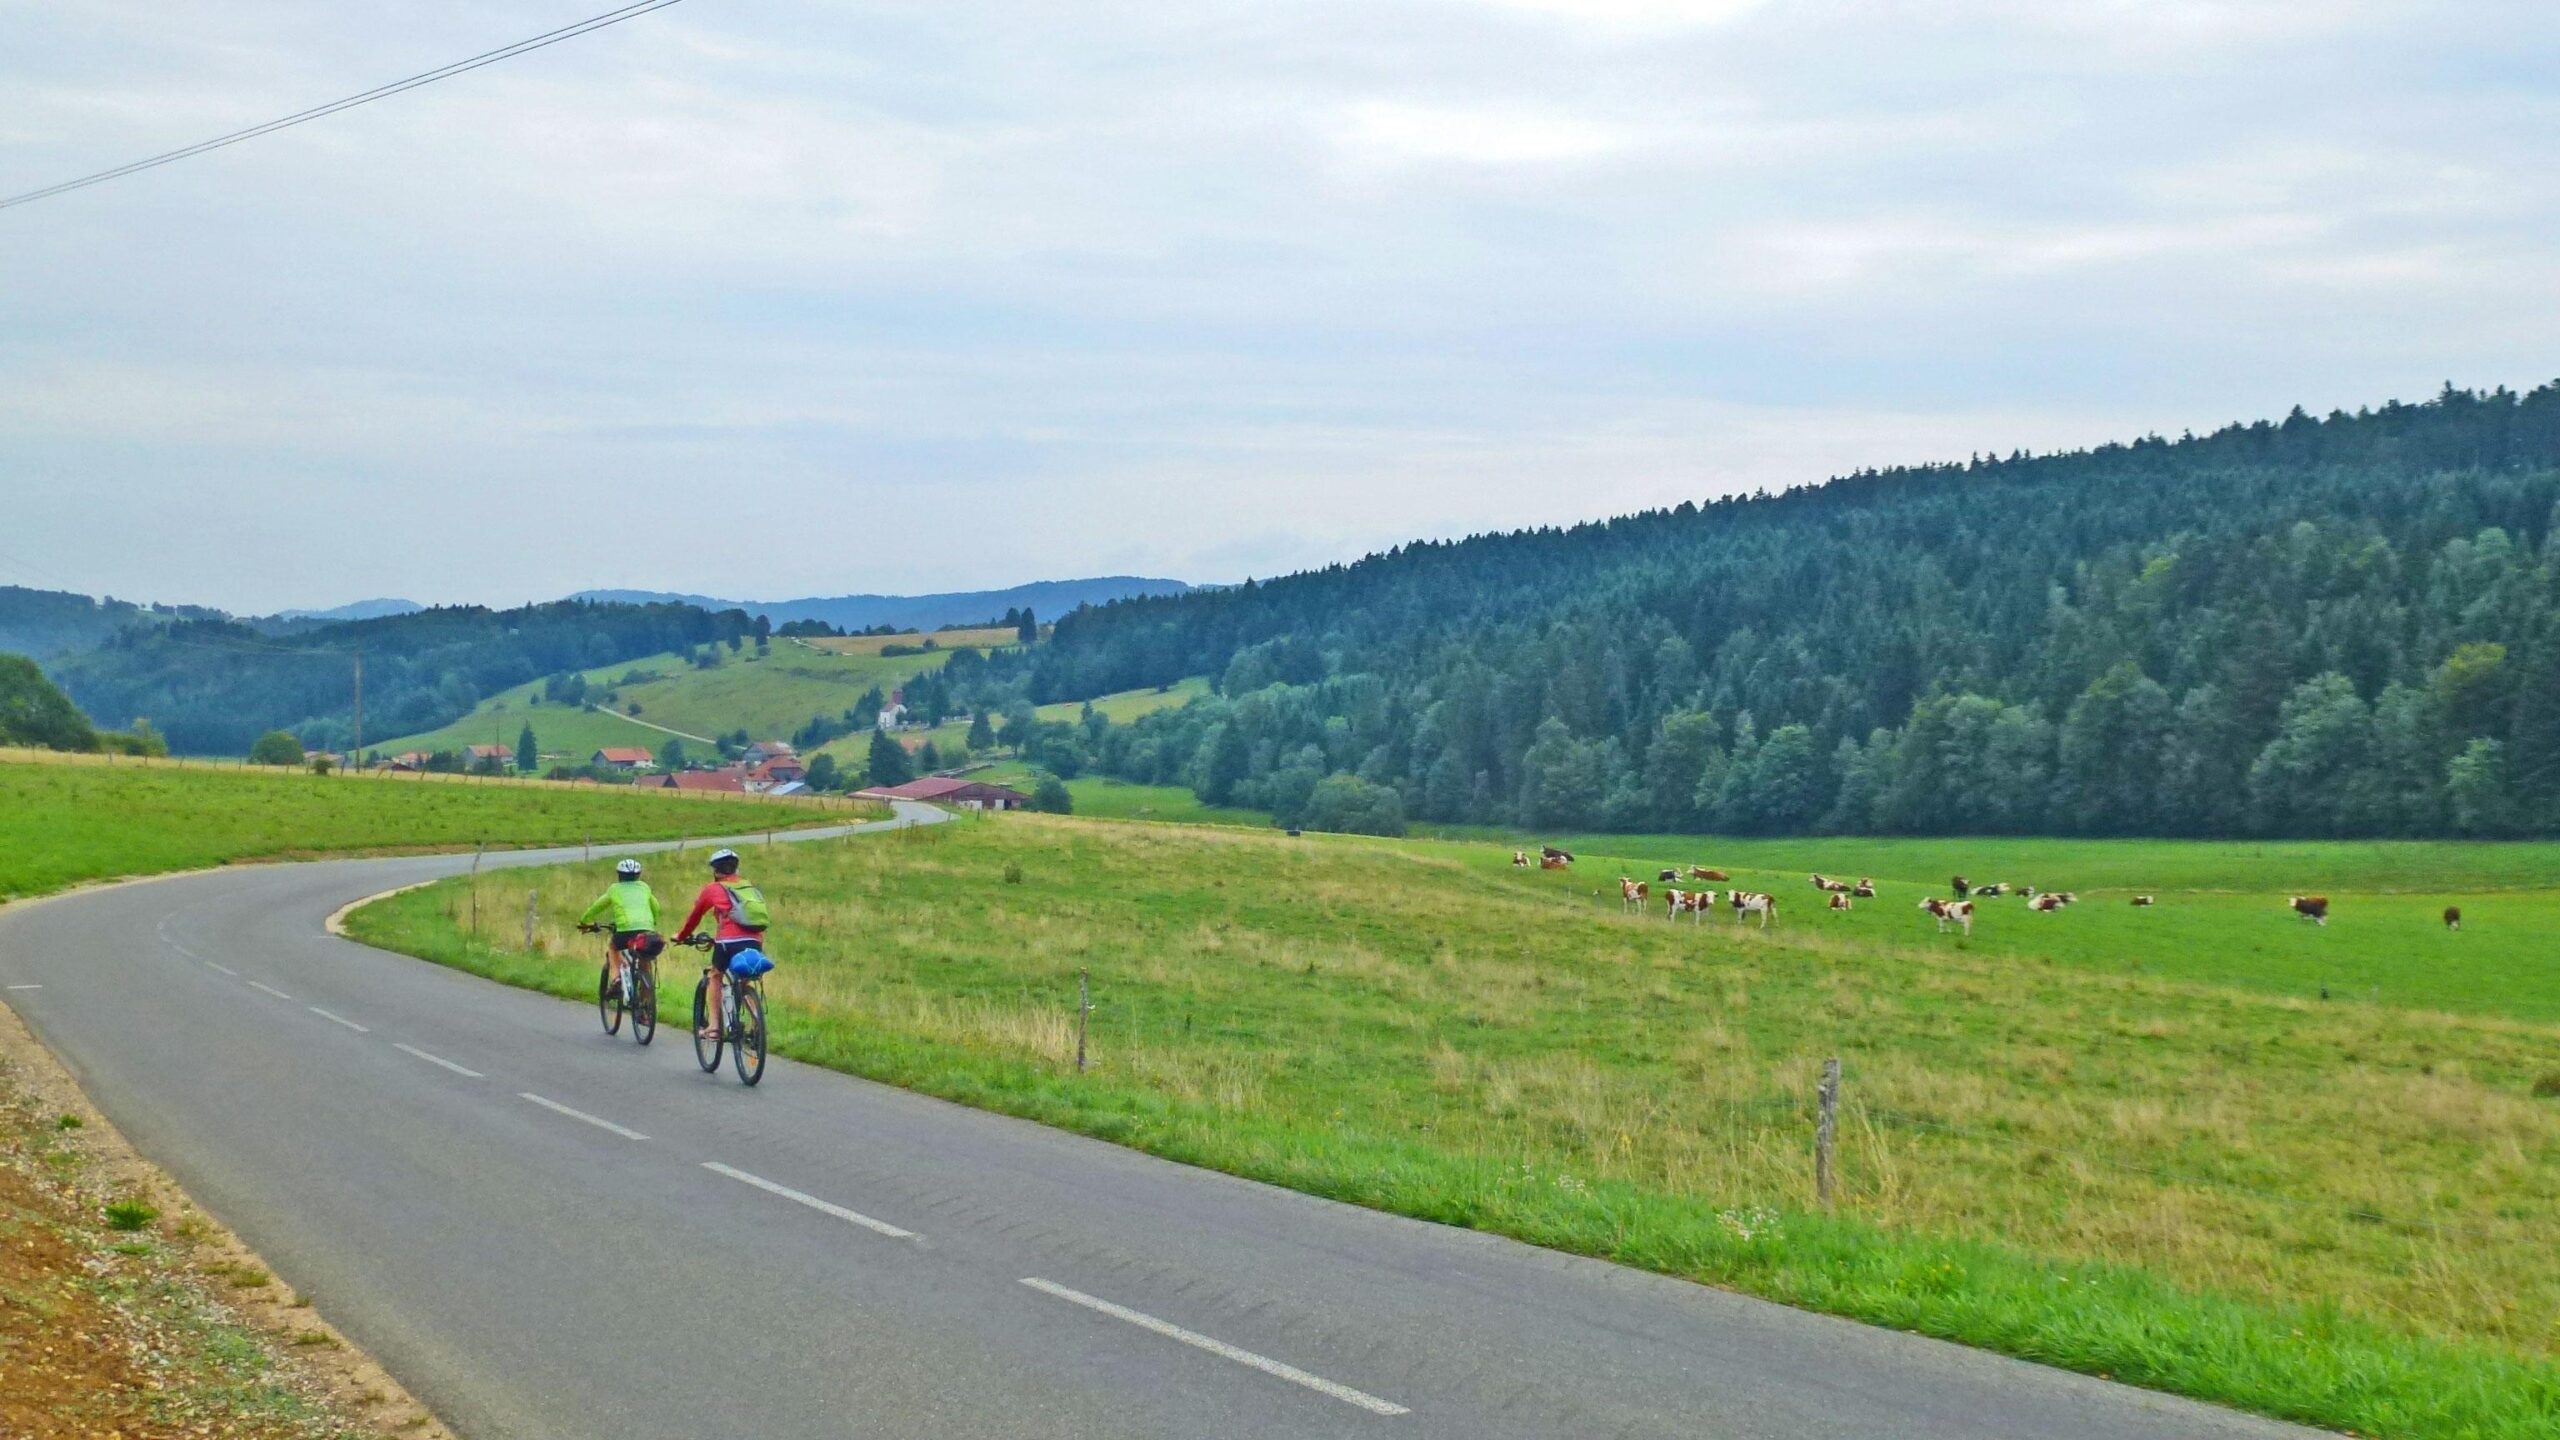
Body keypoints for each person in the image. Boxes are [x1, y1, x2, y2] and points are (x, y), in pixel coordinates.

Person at [673, 848, 768, 1039]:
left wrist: (681, 936)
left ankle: (714, 1027)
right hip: (755, 940)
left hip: (728, 942)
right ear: (735, 868)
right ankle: (758, 1022)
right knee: (743, 982)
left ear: (715, 871)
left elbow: (695, 917)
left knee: (715, 975)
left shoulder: (713, 889)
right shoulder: (748, 887)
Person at [577, 858, 662, 989]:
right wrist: (652, 922)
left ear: (619, 875)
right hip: (647, 929)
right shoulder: (644, 887)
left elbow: (597, 906)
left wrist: (584, 921)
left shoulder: (614, 889)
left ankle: (616, 978)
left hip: (625, 929)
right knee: (645, 958)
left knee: (613, 948)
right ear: (638, 875)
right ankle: (647, 1002)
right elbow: (656, 907)